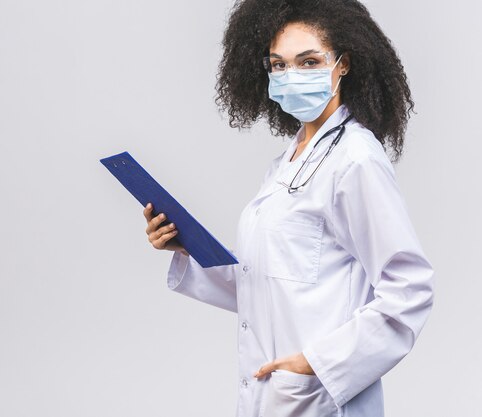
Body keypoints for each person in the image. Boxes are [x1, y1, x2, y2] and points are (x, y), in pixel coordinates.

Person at [142, 1, 434, 416]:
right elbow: (268, 282)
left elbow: (410, 288)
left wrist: (316, 364)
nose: (290, 76)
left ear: (343, 64)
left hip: (318, 396)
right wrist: (186, 248)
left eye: (308, 61)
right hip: (274, 391)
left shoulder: (355, 160)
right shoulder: (288, 162)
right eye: (278, 65)